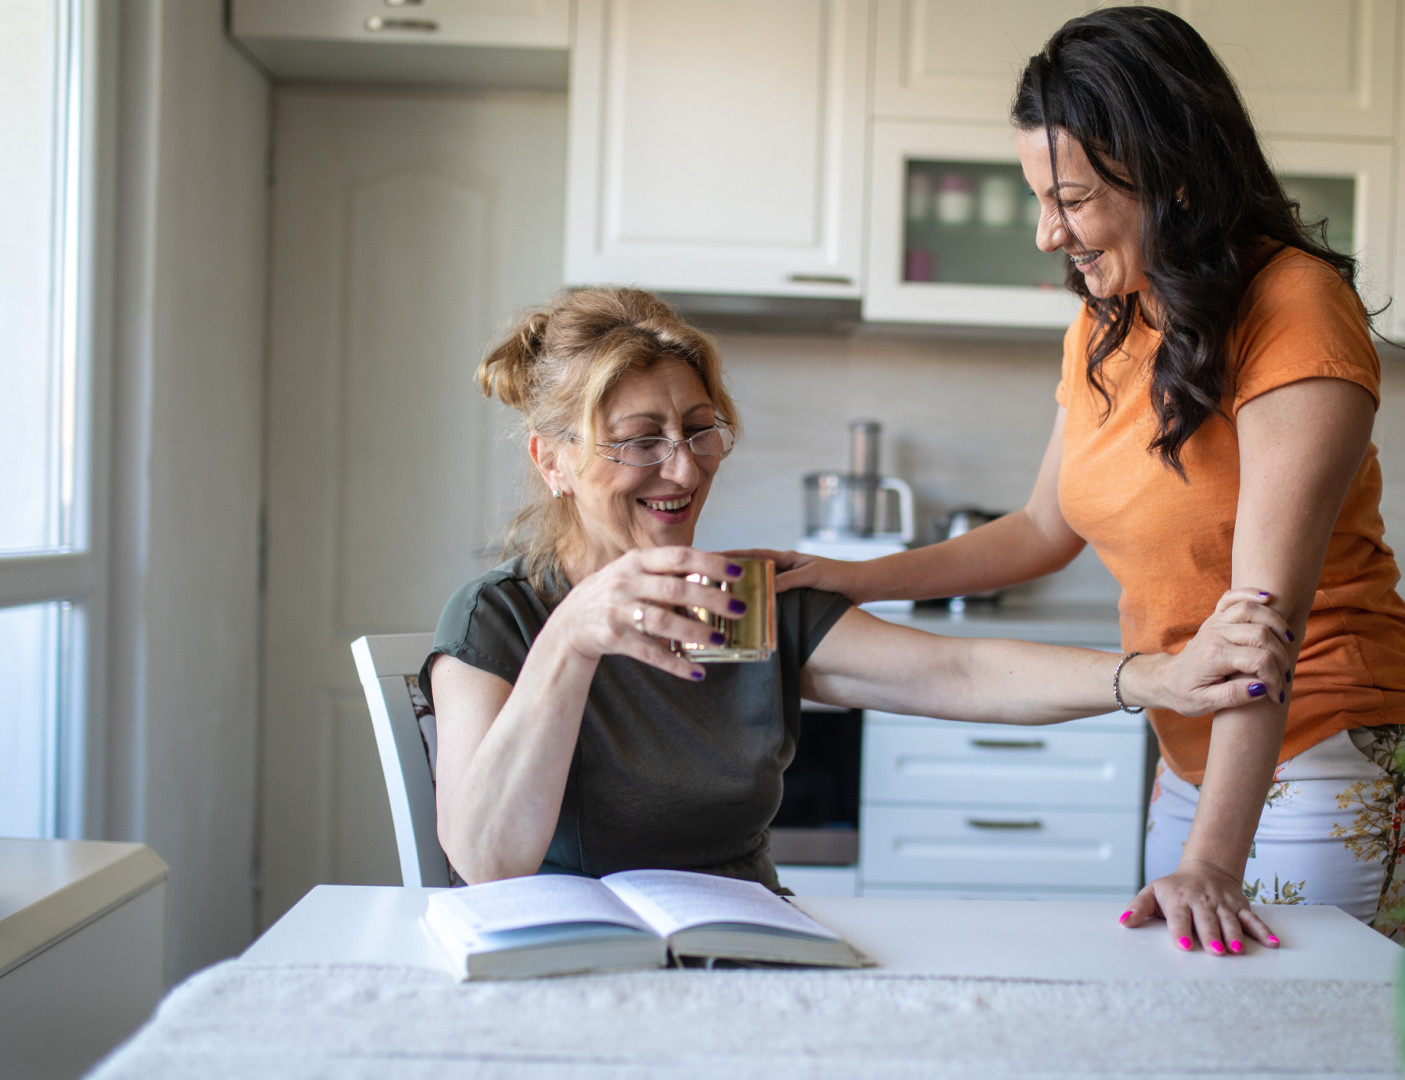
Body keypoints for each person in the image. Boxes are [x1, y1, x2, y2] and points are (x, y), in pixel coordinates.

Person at [760, 7, 1405, 951]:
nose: (1050, 235)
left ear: (1171, 176)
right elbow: (1043, 527)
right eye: (1039, 200)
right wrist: (850, 573)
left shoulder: (1293, 306)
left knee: (1303, 1039)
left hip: (1334, 743)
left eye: (1076, 199)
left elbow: (1264, 623)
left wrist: (1212, 861)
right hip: (1192, 744)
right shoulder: (1111, 317)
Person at [421, 286, 1292, 901]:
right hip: (561, 961)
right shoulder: (501, 618)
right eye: (638, 440)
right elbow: (488, 859)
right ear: (555, 461)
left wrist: (1154, 680)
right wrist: (574, 638)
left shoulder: (743, 602)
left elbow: (962, 675)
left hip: (747, 951)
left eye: (698, 430)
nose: (683, 469)